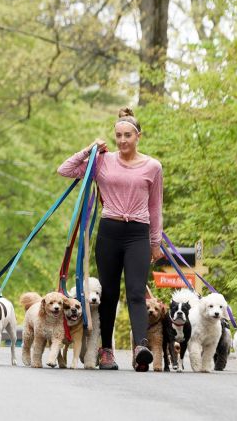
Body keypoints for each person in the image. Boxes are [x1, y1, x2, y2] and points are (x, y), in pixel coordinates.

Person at [57, 107, 163, 372]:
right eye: (118, 135)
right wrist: (89, 150)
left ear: (138, 136)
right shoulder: (102, 161)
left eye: (128, 135)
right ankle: (106, 351)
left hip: (138, 233)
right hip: (110, 232)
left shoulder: (152, 166)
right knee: (110, 293)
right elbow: (65, 169)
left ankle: (140, 348)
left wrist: (155, 242)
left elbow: (155, 207)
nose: (123, 140)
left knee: (136, 292)